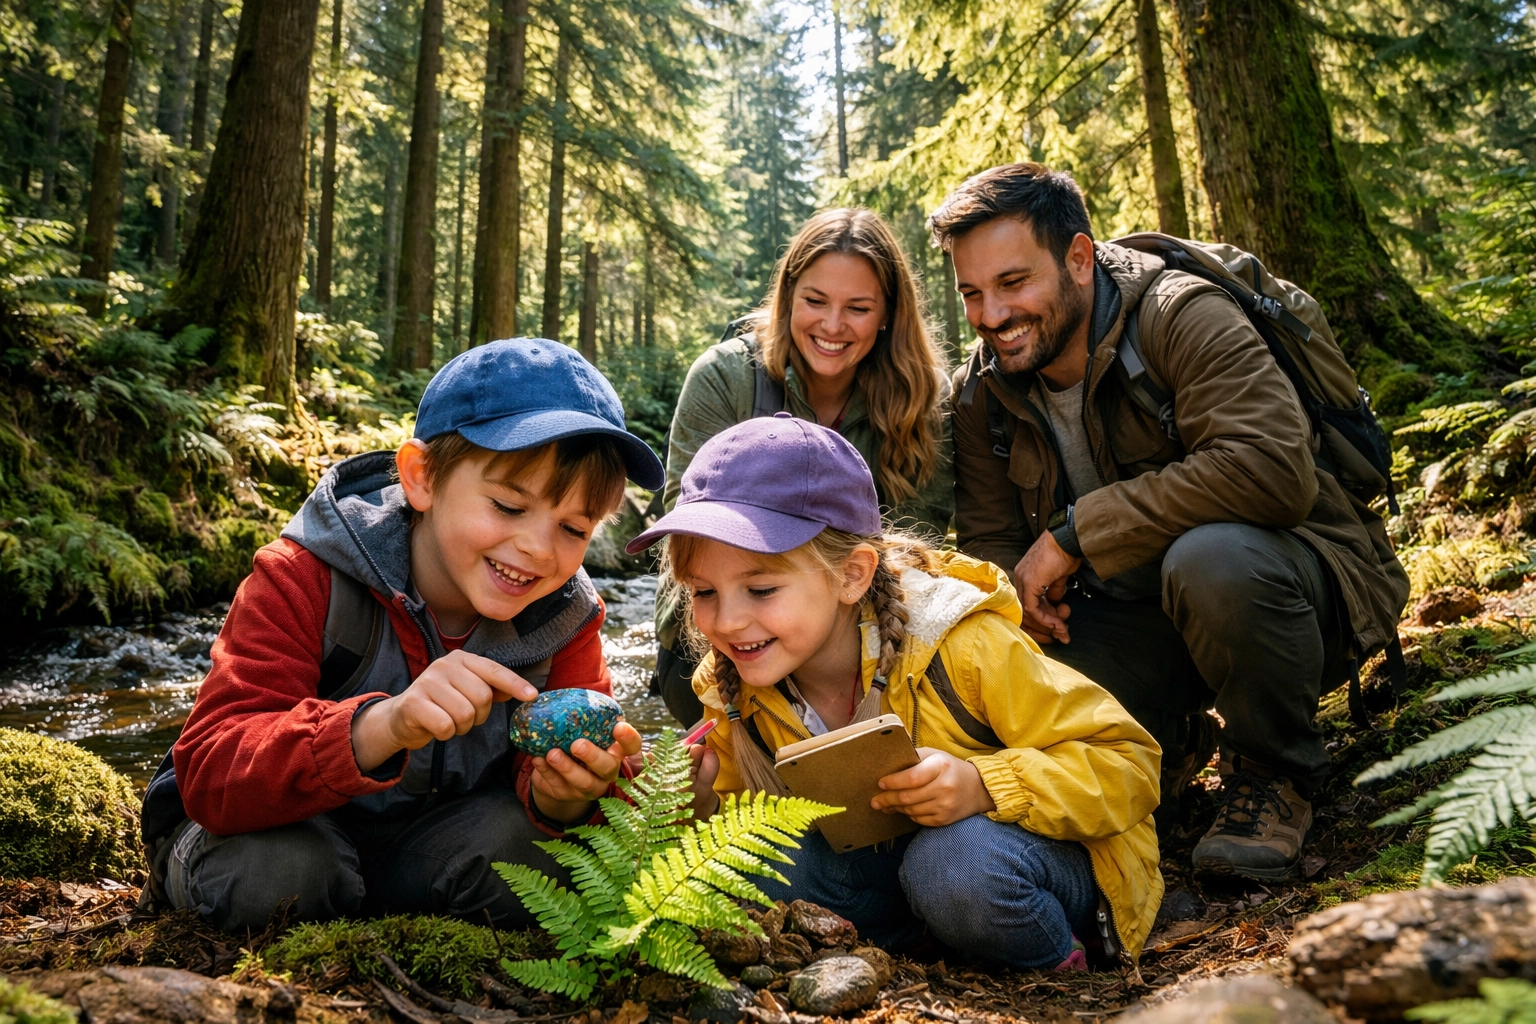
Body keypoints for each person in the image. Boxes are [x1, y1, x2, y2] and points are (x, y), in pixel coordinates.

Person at [935, 163, 1409, 880]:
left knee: (1212, 560)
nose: (991, 315)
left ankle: (1274, 775)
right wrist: (1016, 605)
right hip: (1134, 618)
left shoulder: (1180, 313)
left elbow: (1274, 471)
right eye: (972, 292)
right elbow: (994, 545)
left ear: (1079, 258)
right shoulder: (981, 391)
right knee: (1004, 668)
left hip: (1295, 587)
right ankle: (1165, 742)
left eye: (1012, 283)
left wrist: (1075, 535)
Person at [142, 339, 663, 932]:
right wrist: (382, 726)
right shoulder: (302, 577)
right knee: (280, 872)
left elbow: (583, 819)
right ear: (421, 478)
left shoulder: (564, 619)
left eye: (573, 527)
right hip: (267, 836)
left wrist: (565, 797)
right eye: (508, 506)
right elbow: (210, 773)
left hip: (424, 848)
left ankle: (384, 926)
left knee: (536, 862)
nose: (539, 550)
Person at [625, 415, 1162, 970]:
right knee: (758, 859)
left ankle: (1052, 956)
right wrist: (702, 804)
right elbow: (750, 821)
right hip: (892, 879)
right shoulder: (735, 684)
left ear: (852, 575)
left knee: (952, 864)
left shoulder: (962, 643)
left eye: (761, 589)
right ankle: (922, 948)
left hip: (1024, 865)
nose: (728, 621)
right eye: (705, 592)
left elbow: (1129, 762)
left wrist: (984, 785)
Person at [651, 208, 955, 726]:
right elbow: (685, 536)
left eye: (857, 308)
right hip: (712, 617)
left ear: (887, 315)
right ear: (787, 296)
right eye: (815, 301)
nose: (832, 326)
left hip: (866, 612)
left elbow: (919, 543)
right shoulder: (726, 378)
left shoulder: (925, 398)